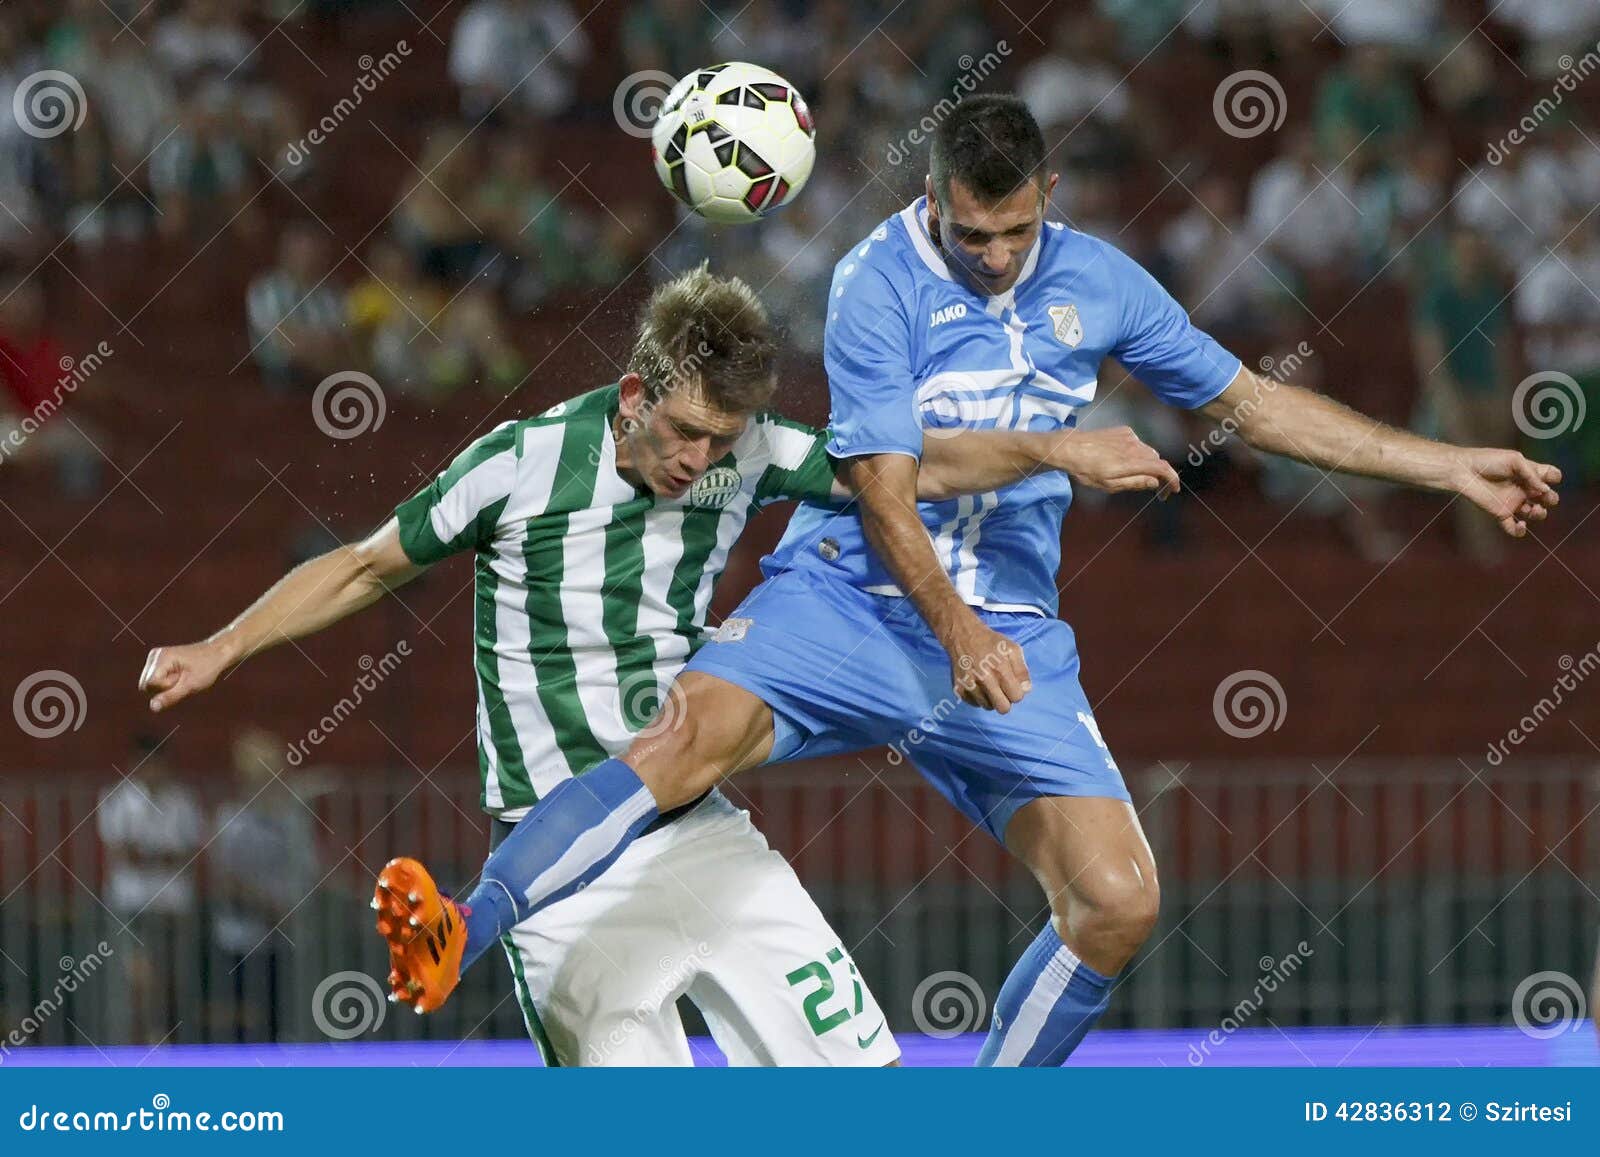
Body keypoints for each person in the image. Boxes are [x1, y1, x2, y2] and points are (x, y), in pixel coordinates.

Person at [401, 96, 1562, 1067]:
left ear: (1045, 193)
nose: (993, 255)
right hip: (849, 598)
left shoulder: (1102, 283)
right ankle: (467, 921)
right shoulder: (875, 285)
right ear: (933, 201)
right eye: (970, 233)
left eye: (1011, 231)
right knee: (679, 742)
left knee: (1117, 899)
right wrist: (953, 627)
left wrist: (1444, 463)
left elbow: (1250, 403)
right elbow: (883, 486)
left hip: (1010, 625)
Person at [138, 265, 1177, 1066]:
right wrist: (221, 645)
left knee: (868, 1094)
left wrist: (1054, 449)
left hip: (700, 834)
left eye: (719, 441)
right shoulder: (520, 460)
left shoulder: (751, 453)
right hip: (555, 864)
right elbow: (365, 568)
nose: (698, 461)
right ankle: (469, 921)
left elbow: (897, 469)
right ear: (635, 392)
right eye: (683, 432)